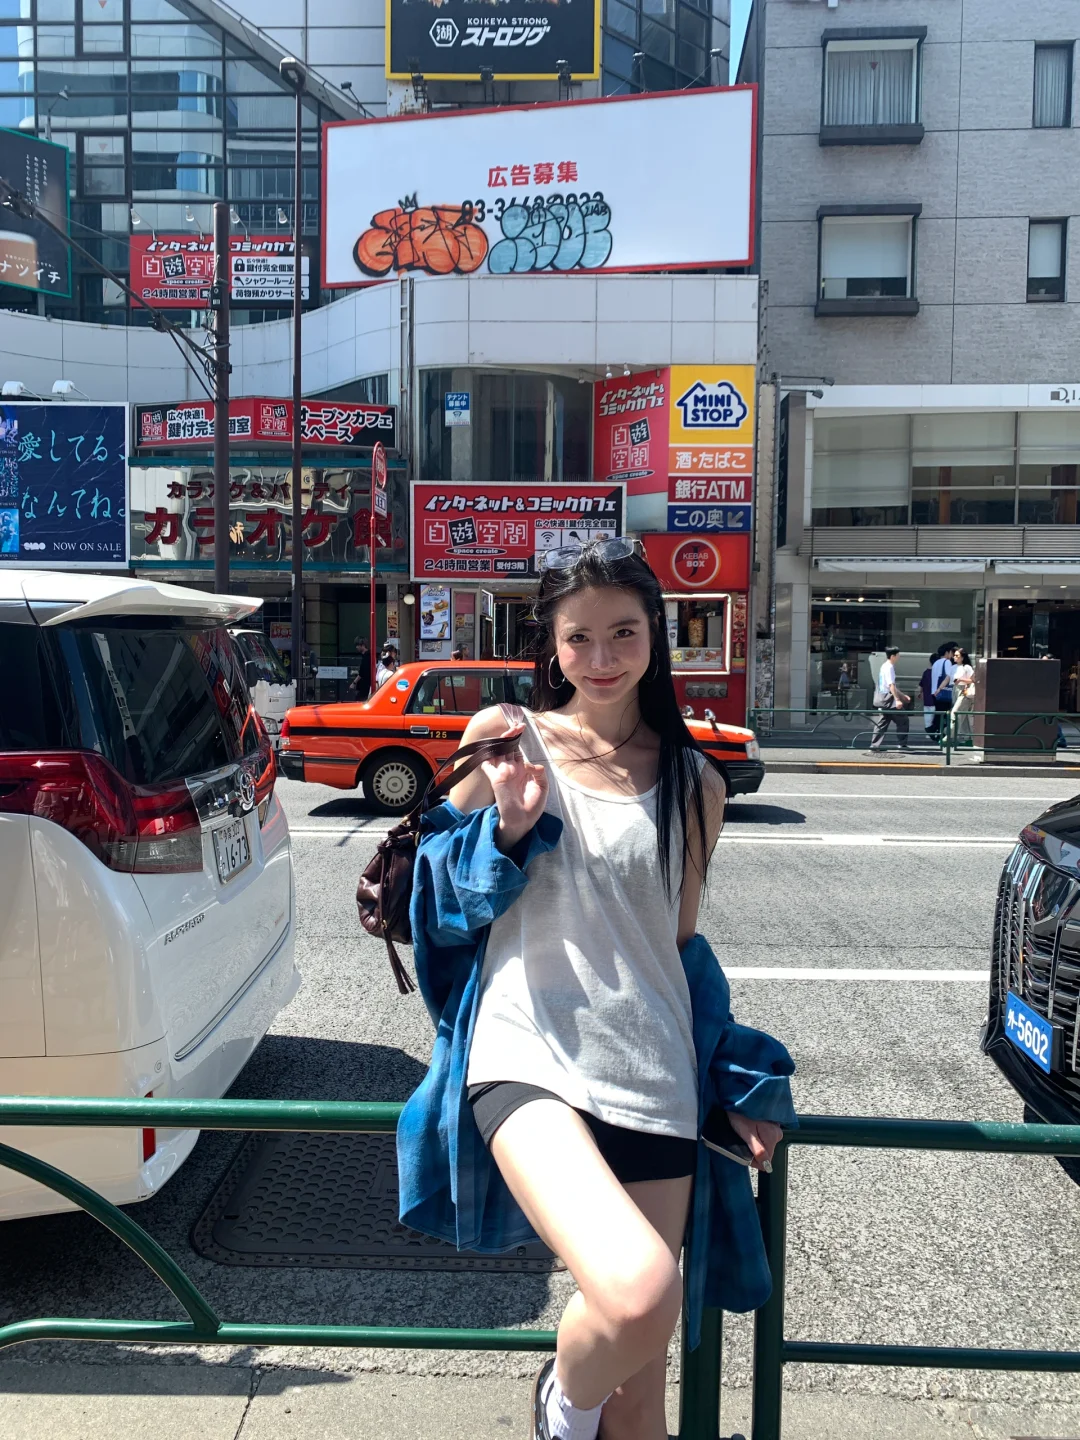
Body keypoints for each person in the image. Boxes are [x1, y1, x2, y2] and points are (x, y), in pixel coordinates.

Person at [398, 536, 795, 1440]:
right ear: (552, 644)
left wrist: (731, 1080)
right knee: (641, 1292)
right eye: (579, 637)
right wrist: (506, 830)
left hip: (655, 1073)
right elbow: (431, 901)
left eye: (624, 632)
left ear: (657, 634)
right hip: (526, 1056)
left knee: (644, 1401)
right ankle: (561, 1407)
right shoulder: (507, 737)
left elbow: (678, 949)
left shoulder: (695, 781)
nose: (602, 657)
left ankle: (586, 1413)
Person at [866, 645, 910, 754]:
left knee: (882, 723)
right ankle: (902, 744)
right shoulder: (889, 667)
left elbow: (890, 686)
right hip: (889, 701)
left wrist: (902, 696)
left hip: (883, 699)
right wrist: (898, 700)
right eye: (898, 655)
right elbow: (891, 685)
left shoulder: (884, 666)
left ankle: (874, 746)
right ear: (893, 656)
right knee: (903, 720)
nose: (899, 657)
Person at [930, 644, 959, 742]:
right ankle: (942, 735)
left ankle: (937, 732)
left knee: (939, 714)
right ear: (947, 652)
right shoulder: (947, 662)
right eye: (951, 653)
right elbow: (949, 677)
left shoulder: (936, 663)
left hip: (935, 693)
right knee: (946, 715)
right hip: (944, 693)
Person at [950, 649, 975, 745]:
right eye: (954, 655)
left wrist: (961, 679)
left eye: (957, 655)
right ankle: (967, 737)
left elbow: (973, 680)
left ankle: (950, 735)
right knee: (963, 715)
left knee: (955, 712)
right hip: (955, 689)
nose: (954, 657)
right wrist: (939, 689)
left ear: (962, 657)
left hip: (964, 691)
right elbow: (948, 678)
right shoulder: (953, 667)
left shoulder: (967, 667)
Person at [918, 653, 937, 734]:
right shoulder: (938, 673)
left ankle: (929, 732)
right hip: (936, 700)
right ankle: (934, 733)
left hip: (927, 700)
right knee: (935, 717)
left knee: (927, 718)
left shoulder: (926, 672)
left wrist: (920, 693)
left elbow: (921, 685)